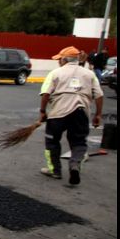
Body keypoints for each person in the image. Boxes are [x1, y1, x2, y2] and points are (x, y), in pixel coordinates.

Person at [39, 46, 103, 185]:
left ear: (63, 59)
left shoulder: (56, 73)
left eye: (59, 59)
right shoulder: (89, 74)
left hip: (58, 113)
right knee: (79, 142)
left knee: (52, 141)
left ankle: (55, 170)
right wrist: (98, 115)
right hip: (80, 113)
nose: (58, 62)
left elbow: (46, 94)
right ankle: (74, 165)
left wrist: (43, 111)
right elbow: (99, 95)